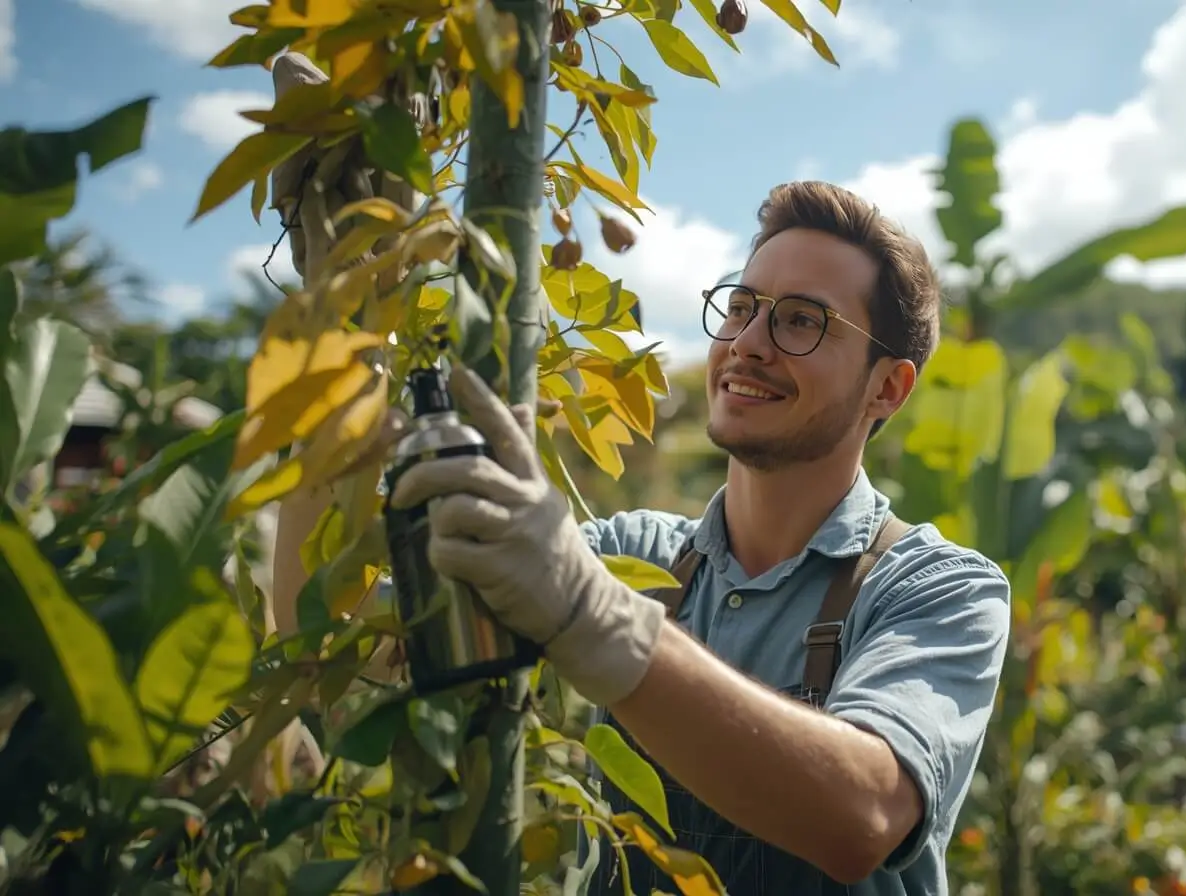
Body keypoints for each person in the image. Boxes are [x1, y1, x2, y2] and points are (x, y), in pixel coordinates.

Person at [277, 180, 1012, 895]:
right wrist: (335, 315)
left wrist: (590, 614)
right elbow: (328, 641)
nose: (749, 343)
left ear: (888, 387)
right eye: (743, 307)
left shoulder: (935, 588)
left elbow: (863, 816)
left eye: (801, 320)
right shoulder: (641, 559)